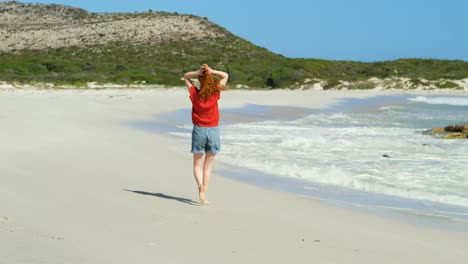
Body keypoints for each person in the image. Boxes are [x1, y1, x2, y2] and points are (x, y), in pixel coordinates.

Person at [183, 64, 229, 205]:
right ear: (210, 80)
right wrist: (211, 71)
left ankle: (200, 187)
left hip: (199, 130)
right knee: (208, 166)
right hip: (213, 130)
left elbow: (186, 76)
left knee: (197, 164)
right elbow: (225, 75)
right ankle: (205, 192)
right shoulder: (215, 92)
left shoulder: (194, 94)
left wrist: (198, 72)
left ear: (200, 80)